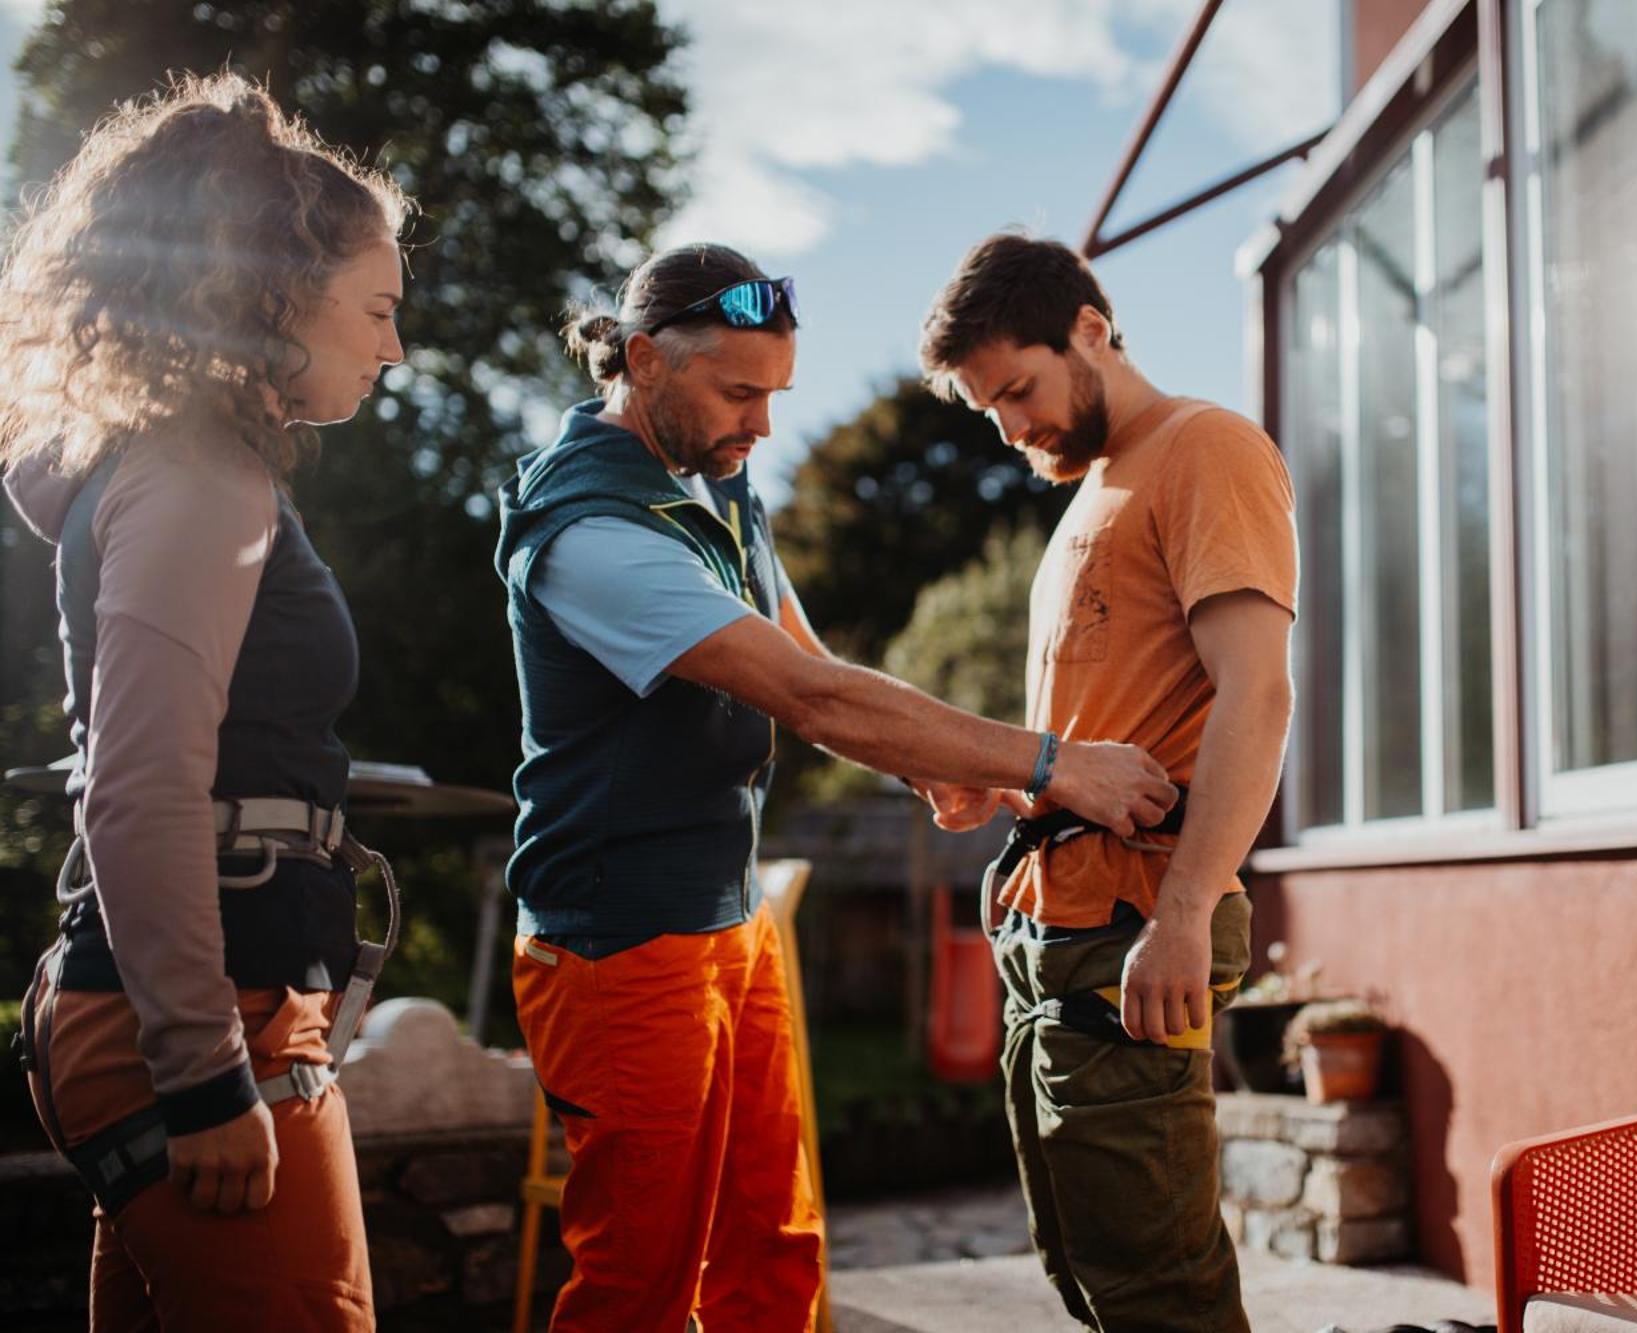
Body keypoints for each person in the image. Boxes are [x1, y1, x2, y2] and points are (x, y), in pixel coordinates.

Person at [494, 241, 1177, 1332]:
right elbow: (803, 696)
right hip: (618, 941)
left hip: (732, 916)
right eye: (738, 393)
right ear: (640, 361)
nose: (761, 425)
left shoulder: (715, 472)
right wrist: (1050, 763)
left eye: (773, 395)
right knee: (641, 1277)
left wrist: (930, 763)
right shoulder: (587, 530)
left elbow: (798, 645)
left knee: (774, 1242)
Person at [1, 74, 410, 1329]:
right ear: (276, 291)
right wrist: (203, 1075)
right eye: (379, 309)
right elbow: (138, 786)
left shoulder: (173, 462)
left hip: (195, 1001)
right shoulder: (196, 470)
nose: (393, 346)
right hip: (195, 1021)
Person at [914, 232, 1299, 1332]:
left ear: (1089, 328)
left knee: (1155, 1292)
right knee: (1086, 1270)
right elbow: (1103, 737)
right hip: (1052, 932)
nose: (1007, 425)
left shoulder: (1204, 448)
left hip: (1136, 926)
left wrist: (1183, 911)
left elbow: (1256, 696)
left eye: (1018, 389)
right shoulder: (1091, 496)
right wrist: (1003, 791)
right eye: (986, 407)